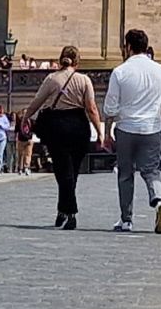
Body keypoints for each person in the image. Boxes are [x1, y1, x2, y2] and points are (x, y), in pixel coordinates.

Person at [23, 43, 102, 230]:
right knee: (72, 172)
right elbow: (91, 108)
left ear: (61, 59)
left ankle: (69, 212)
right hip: (79, 126)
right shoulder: (84, 80)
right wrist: (99, 131)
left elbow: (37, 102)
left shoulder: (52, 79)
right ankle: (64, 211)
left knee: (62, 171)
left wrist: (26, 117)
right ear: (77, 61)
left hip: (57, 127)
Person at [102, 28, 161, 233]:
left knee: (125, 173)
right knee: (151, 171)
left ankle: (127, 220)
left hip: (126, 129)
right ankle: (159, 200)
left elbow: (110, 108)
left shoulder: (120, 71)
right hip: (151, 128)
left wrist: (107, 133)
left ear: (129, 47)